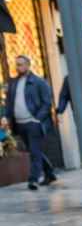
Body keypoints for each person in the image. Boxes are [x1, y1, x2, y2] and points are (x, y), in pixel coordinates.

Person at [5, 55, 57, 190]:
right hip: (19, 124)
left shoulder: (39, 82)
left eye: (21, 64)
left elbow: (47, 103)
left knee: (34, 151)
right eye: (17, 64)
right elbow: (9, 102)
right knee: (34, 150)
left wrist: (37, 119)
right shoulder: (13, 83)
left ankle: (33, 179)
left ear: (28, 65)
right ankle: (49, 173)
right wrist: (7, 117)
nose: (18, 67)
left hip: (33, 123)